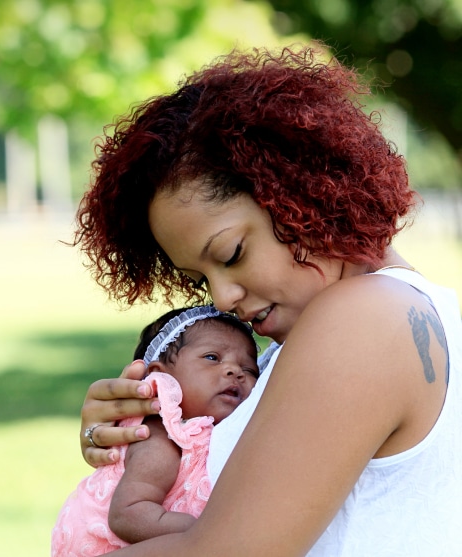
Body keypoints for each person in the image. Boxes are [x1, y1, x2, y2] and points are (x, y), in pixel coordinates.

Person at [73, 44, 462, 556]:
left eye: (232, 253)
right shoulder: (381, 316)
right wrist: (142, 448)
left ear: (304, 195)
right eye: (198, 279)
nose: (222, 297)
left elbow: (222, 551)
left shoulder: (366, 318)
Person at [51, 305, 259, 556]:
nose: (234, 371)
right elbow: (128, 514)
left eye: (249, 370)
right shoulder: (159, 437)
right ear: (162, 376)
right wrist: (208, 531)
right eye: (212, 357)